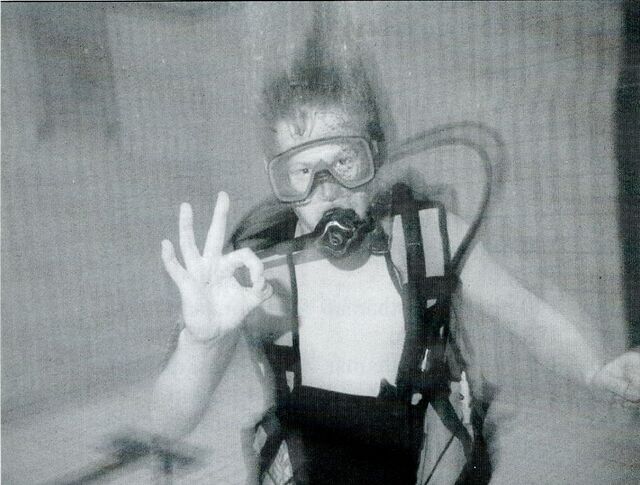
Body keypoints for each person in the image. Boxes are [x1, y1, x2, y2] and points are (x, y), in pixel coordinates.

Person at [151, 16, 640, 485]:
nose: (328, 190)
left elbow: (529, 313)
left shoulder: (428, 240)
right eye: (302, 172)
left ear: (375, 155)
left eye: (345, 161)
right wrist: (201, 341)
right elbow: (169, 424)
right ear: (276, 177)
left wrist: (593, 369)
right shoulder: (260, 275)